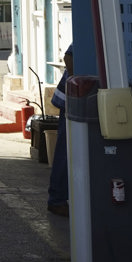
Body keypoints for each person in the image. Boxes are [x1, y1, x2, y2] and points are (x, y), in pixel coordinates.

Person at [46, 44, 74, 216]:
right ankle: (57, 200)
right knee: (65, 151)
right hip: (71, 101)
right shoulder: (91, 30)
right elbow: (69, 58)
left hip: (74, 99)